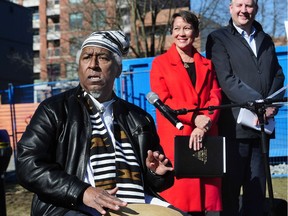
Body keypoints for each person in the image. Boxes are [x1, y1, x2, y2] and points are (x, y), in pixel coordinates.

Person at [16, 30, 186, 216]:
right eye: (87, 57)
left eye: (103, 58)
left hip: (135, 204)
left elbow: (156, 183)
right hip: (72, 206)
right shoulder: (55, 109)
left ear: (118, 69)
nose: (93, 65)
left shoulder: (139, 118)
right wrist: (82, 191)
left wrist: (157, 173)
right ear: (79, 67)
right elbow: (27, 163)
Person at [205, 0, 285, 215]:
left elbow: (278, 75)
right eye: (239, 5)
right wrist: (259, 104)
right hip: (233, 129)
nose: (244, 10)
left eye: (249, 5)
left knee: (257, 192)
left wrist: (271, 105)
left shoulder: (265, 39)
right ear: (230, 8)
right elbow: (226, 78)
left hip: (262, 129)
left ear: (256, 8)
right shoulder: (218, 38)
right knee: (230, 192)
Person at [150, 10, 222, 215]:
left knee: (207, 205)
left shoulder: (208, 65)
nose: (182, 33)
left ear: (196, 33)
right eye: (177, 28)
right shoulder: (160, 64)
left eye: (187, 28)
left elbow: (215, 97)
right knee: (179, 206)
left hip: (205, 137)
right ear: (172, 32)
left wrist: (204, 123)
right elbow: (164, 100)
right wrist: (194, 118)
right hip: (176, 138)